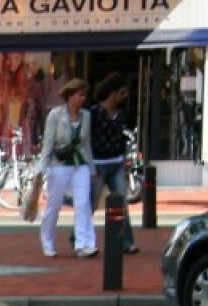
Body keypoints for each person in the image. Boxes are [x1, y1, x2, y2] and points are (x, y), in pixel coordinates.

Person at [38, 78, 95, 259]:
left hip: (81, 164)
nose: (83, 99)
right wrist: (41, 168)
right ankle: (48, 243)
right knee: (54, 205)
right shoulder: (55, 115)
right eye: (80, 95)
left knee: (83, 203)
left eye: (84, 95)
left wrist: (92, 168)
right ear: (70, 96)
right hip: (59, 164)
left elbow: (87, 144)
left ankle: (84, 244)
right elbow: (48, 142)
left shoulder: (86, 116)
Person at [88, 73, 138, 255]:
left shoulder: (120, 115)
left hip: (116, 162)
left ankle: (127, 242)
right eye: (122, 93)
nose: (124, 97)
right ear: (113, 93)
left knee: (122, 202)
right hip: (99, 163)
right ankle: (77, 237)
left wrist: (124, 156)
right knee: (91, 204)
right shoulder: (93, 113)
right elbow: (87, 138)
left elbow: (121, 136)